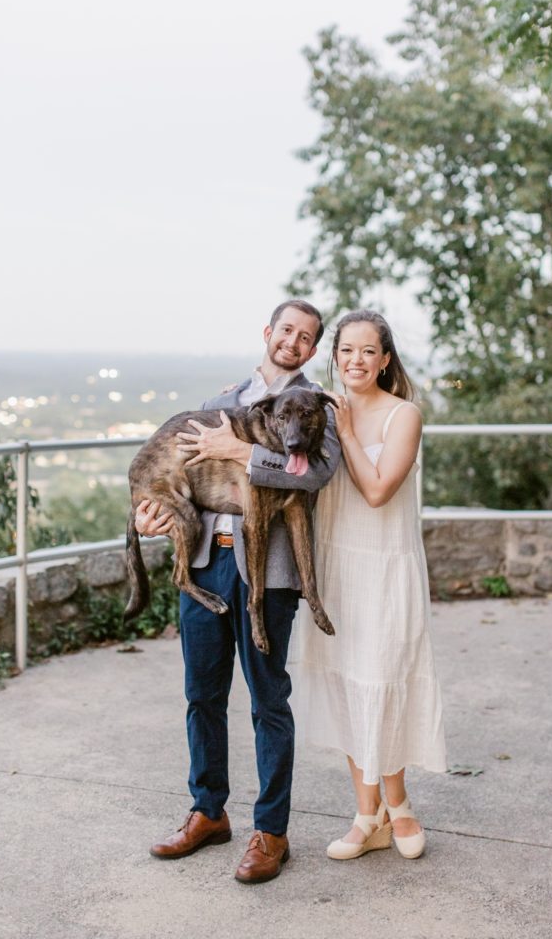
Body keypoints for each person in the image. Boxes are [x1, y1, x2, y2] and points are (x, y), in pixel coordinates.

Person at [135, 300, 340, 884]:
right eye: (286, 331)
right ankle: (208, 812)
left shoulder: (319, 408)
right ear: (268, 333)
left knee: (268, 701)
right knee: (202, 695)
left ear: (313, 349)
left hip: (269, 576)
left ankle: (271, 831)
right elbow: (181, 477)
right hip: (204, 563)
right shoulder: (219, 402)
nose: (293, 343)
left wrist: (243, 452)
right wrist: (152, 517)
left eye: (306, 337)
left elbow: (318, 471)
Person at [293, 309, 446, 860]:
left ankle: (399, 805)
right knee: (348, 686)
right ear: (334, 356)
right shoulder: (319, 409)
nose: (355, 360)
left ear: (385, 360)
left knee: (384, 682)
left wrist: (349, 432)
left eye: (367, 351)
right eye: (346, 350)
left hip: (385, 568)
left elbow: (378, 491)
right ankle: (367, 815)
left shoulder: (404, 414)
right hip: (336, 569)